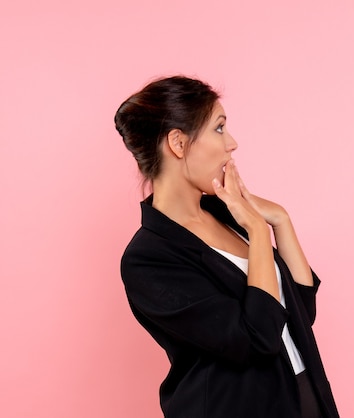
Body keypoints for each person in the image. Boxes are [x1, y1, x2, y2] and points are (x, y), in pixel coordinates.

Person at [114, 76, 340, 418]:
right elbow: (257, 339)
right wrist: (259, 232)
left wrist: (279, 220)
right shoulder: (149, 259)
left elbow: (299, 313)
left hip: (303, 397)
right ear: (178, 142)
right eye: (219, 128)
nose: (231, 143)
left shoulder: (228, 214)